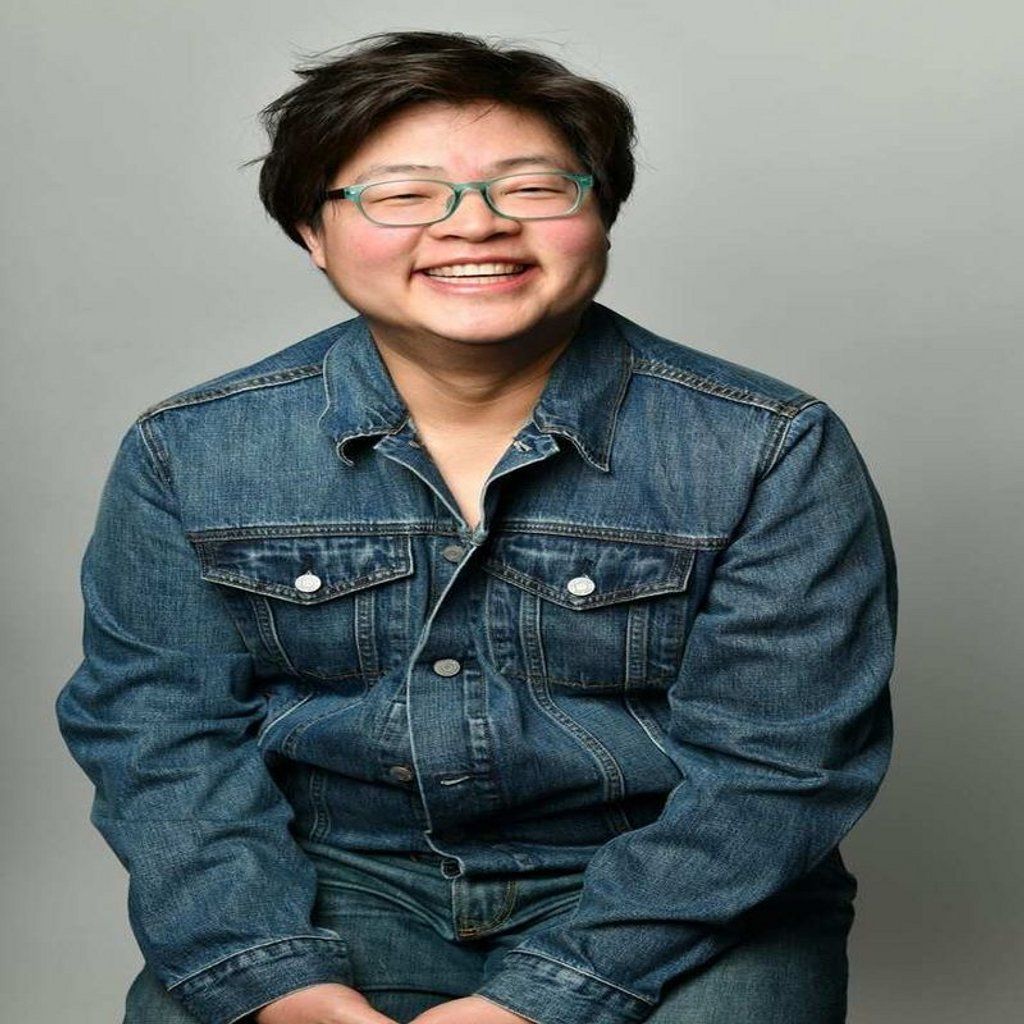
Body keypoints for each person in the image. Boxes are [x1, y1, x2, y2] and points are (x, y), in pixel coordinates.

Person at [54, 29, 898, 1024]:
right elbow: (159, 736)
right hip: (331, 879)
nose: (475, 226)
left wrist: (543, 1000)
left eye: (532, 187)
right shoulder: (189, 448)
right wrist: (272, 972)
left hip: (674, 890)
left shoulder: (769, 445)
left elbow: (780, 769)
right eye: (403, 194)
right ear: (312, 231)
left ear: (601, 212)